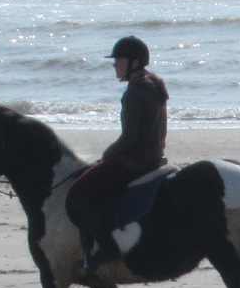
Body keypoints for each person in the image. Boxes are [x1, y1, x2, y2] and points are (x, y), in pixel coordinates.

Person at [69, 35, 169, 269]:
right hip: (153, 158)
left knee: (77, 192)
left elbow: (129, 138)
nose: (114, 65)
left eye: (119, 60)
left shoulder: (134, 91)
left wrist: (108, 153)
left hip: (134, 162)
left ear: (133, 62)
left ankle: (107, 247)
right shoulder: (154, 84)